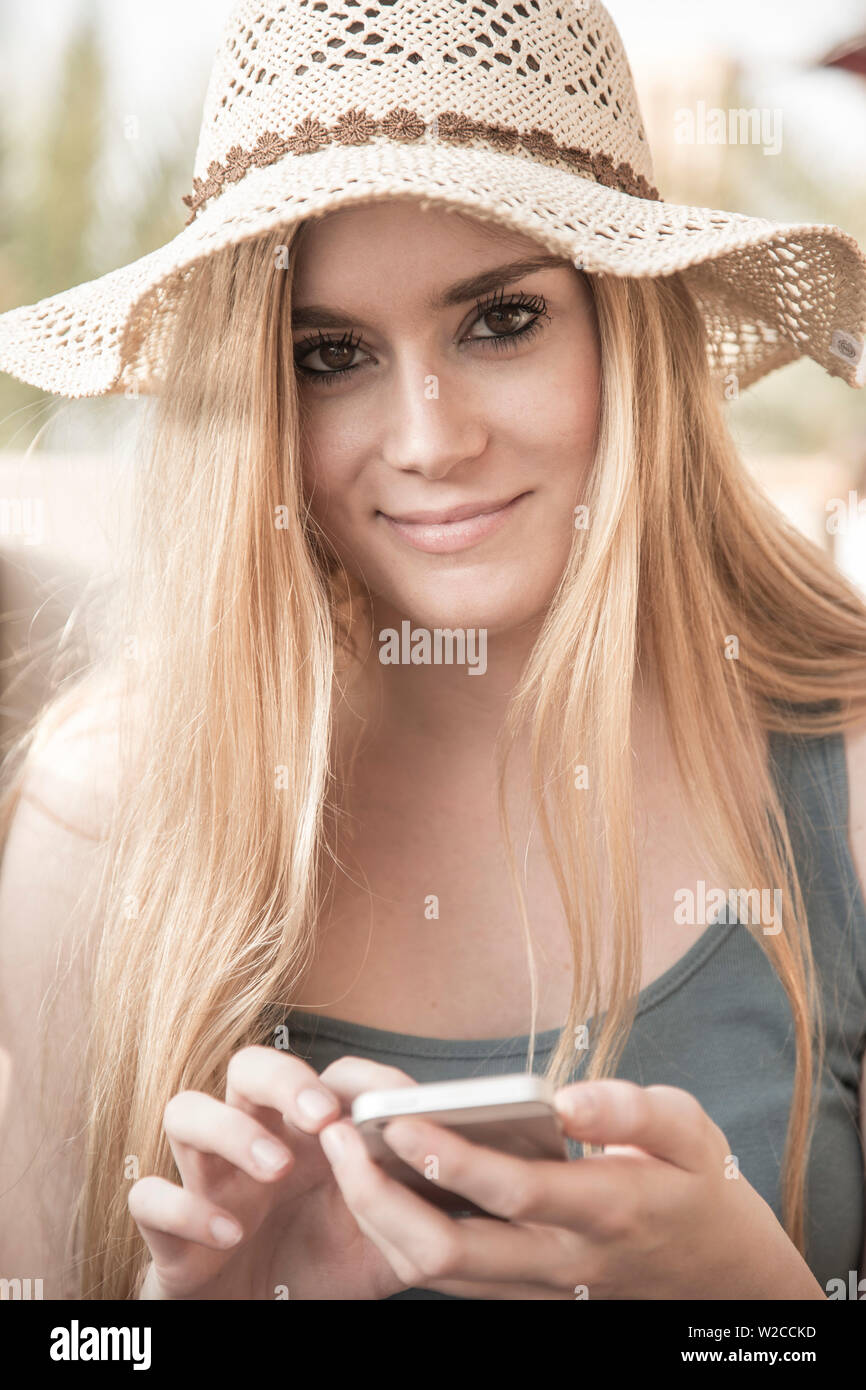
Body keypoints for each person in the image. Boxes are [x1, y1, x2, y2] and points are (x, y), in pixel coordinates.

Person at [0, 0, 865, 1303]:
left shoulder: (840, 771)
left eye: (498, 321)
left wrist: (748, 1305)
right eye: (329, 354)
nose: (426, 438)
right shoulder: (108, 815)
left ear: (621, 330)